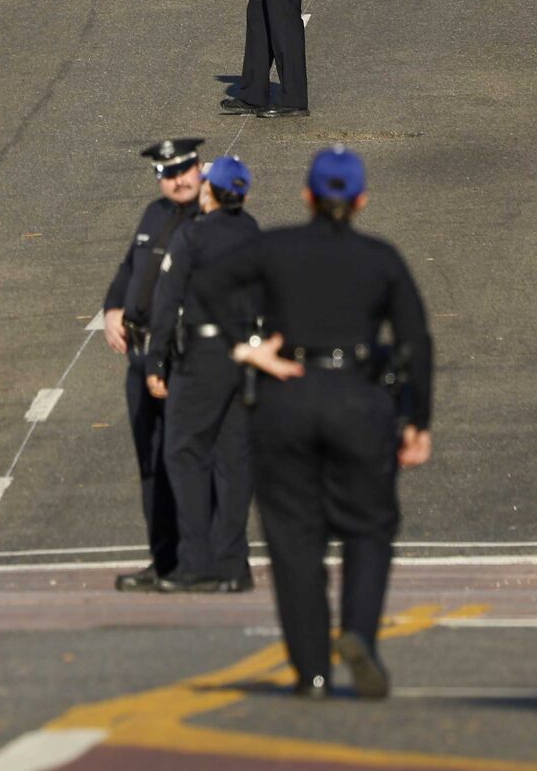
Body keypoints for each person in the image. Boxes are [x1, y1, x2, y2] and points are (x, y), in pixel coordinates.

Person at [196, 147, 433, 699]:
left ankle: (311, 671)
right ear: (360, 200)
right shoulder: (381, 259)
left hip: (287, 396)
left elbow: (207, 283)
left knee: (292, 538)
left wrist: (249, 347)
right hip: (358, 396)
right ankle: (358, 634)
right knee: (369, 526)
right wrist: (417, 419)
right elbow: (415, 340)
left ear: (307, 196)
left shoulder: (276, 247)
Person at [147, 155, 264, 593]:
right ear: (245, 194)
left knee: (185, 453)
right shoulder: (253, 234)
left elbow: (166, 300)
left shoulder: (192, 236)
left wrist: (157, 360)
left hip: (202, 356)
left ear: (209, 192)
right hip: (246, 354)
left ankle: (196, 561)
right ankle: (234, 563)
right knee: (234, 460)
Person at [102, 137, 206, 593]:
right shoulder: (153, 215)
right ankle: (163, 559)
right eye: (168, 173)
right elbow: (130, 268)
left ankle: (195, 559)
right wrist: (111, 309)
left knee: (186, 461)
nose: (179, 180)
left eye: (185, 170)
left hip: (186, 359)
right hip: (142, 354)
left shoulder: (212, 219)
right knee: (151, 461)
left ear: (200, 168)